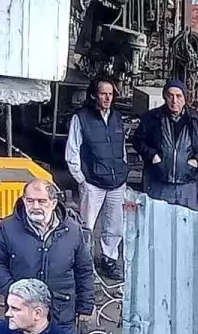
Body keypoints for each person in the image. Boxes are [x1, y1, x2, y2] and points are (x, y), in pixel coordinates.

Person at [0, 179, 94, 331]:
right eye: (30, 201)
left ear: (53, 203)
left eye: (42, 201)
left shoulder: (73, 230)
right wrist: (13, 290)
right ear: (23, 200)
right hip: (21, 315)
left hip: (61, 315)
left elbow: (84, 270)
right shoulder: (8, 228)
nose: (35, 206)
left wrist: (85, 306)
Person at [66, 75, 127, 281]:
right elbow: (72, 151)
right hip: (92, 183)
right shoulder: (81, 118)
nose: (107, 98)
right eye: (103, 93)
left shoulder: (117, 118)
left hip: (116, 183)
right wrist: (81, 179)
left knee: (114, 226)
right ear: (94, 95)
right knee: (87, 226)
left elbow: (121, 149)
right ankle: (84, 265)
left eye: (110, 94)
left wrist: (122, 171)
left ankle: (109, 260)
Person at [132, 79, 198, 208]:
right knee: (159, 224)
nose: (174, 101)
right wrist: (152, 155)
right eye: (170, 96)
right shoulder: (152, 118)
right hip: (159, 184)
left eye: (179, 96)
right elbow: (137, 140)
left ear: (185, 98)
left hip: (188, 185)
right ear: (165, 97)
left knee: (186, 225)